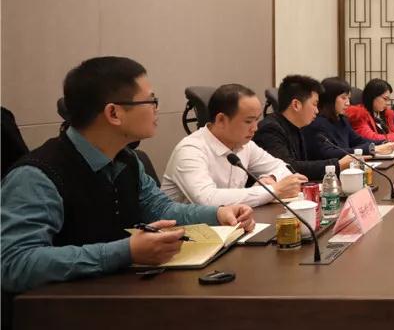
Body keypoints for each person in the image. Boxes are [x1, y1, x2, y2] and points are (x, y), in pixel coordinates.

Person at [0, 57, 253, 294]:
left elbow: (160, 209)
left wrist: (218, 213)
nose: (156, 109)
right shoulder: (36, 176)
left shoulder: (126, 159)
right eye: (151, 101)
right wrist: (125, 251)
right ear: (113, 113)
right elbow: (14, 263)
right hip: (65, 309)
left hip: (122, 293)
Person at [161, 84, 307, 207]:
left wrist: (271, 180)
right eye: (248, 121)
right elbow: (207, 200)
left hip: (229, 225)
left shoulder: (245, 145)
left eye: (257, 120)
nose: (255, 128)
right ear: (221, 120)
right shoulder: (190, 150)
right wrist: (272, 191)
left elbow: (283, 168)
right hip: (185, 230)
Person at [254, 75, 353, 181]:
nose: (317, 111)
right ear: (296, 105)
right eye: (314, 104)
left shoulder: (299, 126)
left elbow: (305, 163)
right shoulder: (270, 129)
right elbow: (288, 168)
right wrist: (337, 165)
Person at [306, 78, 394, 160]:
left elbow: (358, 140)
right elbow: (329, 153)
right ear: (330, 98)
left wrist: (385, 143)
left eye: (349, 98)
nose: (348, 103)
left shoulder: (342, 119)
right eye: (343, 98)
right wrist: (371, 149)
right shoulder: (318, 123)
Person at [347, 79, 394, 143]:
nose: (387, 103)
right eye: (385, 99)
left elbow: (392, 129)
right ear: (373, 96)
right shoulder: (359, 115)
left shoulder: (382, 113)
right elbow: (371, 138)